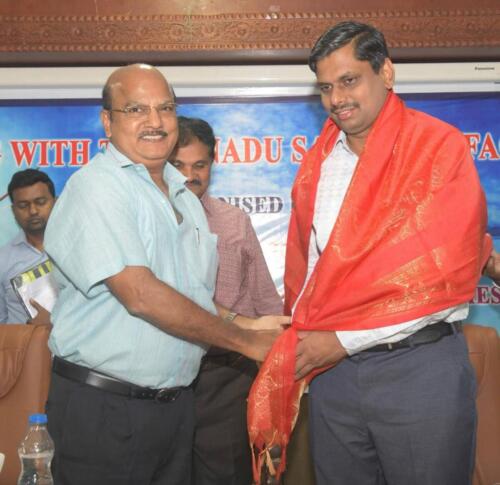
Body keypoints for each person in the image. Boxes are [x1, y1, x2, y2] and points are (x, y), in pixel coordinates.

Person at [247, 21, 491, 485]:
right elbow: (315, 271)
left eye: (349, 80)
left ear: (387, 73)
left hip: (418, 370)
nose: (337, 98)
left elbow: (441, 282)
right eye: (325, 87)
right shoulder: (318, 162)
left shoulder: (438, 148)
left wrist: (339, 342)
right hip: (334, 379)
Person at [43, 64, 286, 485]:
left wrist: (245, 320)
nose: (154, 122)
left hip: (174, 408)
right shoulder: (98, 188)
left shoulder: (182, 196)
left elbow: (185, 294)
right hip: (106, 409)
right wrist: (246, 341)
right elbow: (140, 293)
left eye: (166, 108)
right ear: (107, 121)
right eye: (136, 109)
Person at [168, 116, 283, 485]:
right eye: (179, 165)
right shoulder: (148, 222)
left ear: (212, 165)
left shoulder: (234, 222)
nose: (190, 175)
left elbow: (265, 299)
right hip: (162, 378)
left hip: (225, 377)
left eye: (199, 165)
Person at [0, 169, 55, 324]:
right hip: (22, 347)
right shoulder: (2, 260)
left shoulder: (80, 246)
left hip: (76, 346)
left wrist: (54, 323)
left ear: (55, 201)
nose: (33, 211)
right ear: (13, 210)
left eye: (40, 202)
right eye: (23, 205)